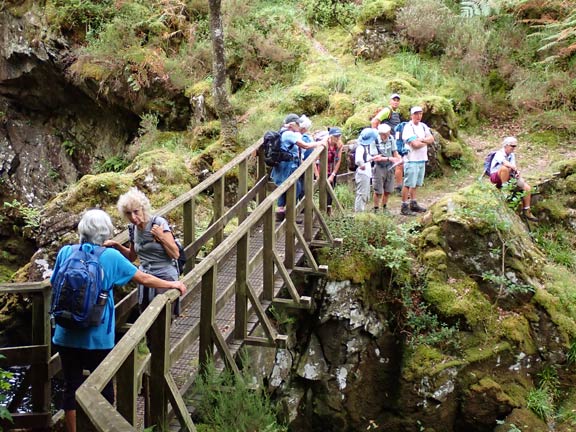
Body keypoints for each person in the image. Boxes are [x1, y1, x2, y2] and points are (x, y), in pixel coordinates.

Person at [51, 209, 186, 432]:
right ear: (105, 233)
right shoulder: (110, 256)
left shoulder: (65, 252)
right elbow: (142, 277)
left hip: (65, 333)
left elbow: (55, 282)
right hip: (97, 337)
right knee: (103, 392)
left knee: (71, 386)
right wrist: (172, 284)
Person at [104, 187, 182, 314]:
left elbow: (175, 254)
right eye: (128, 213)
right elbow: (131, 257)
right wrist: (116, 245)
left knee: (162, 317)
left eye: (136, 211)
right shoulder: (132, 228)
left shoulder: (158, 223)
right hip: (145, 278)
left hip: (164, 276)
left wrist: (161, 236)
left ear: (143, 209)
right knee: (146, 317)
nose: (133, 217)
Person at [270, 113, 324, 221]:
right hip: (289, 167)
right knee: (296, 189)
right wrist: (320, 143)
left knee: (286, 189)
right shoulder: (289, 134)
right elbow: (305, 145)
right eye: (297, 124)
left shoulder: (281, 132)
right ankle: (289, 217)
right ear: (292, 124)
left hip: (283, 166)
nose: (299, 126)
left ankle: (283, 214)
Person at [489, 136, 538, 221]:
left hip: (509, 177)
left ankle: (527, 210)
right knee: (504, 168)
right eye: (512, 146)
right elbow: (505, 163)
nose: (514, 148)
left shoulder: (512, 155)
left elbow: (513, 167)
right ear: (506, 145)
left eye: (515, 146)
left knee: (527, 188)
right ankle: (505, 189)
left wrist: (517, 172)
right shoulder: (499, 154)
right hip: (497, 177)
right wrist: (513, 168)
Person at [400, 106, 435, 216]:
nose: (418, 116)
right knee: (408, 183)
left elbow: (432, 139)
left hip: (421, 158)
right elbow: (414, 145)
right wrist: (425, 142)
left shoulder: (423, 126)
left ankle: (413, 203)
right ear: (411, 115)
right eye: (416, 114)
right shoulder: (408, 127)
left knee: (416, 183)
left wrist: (421, 140)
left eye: (420, 114)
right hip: (411, 159)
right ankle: (404, 205)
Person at [371, 93, 404, 193]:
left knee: (396, 163)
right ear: (390, 101)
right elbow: (374, 122)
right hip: (386, 142)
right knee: (398, 162)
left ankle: (393, 186)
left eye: (397, 100)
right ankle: (398, 187)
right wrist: (377, 135)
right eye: (394, 100)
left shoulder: (395, 112)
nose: (396, 102)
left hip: (393, 141)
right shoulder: (387, 111)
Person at [354, 127, 387, 212]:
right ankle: (359, 212)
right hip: (362, 173)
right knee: (362, 193)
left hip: (366, 173)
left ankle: (362, 210)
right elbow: (358, 159)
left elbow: (366, 157)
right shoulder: (360, 147)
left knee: (365, 193)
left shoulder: (365, 147)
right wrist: (362, 165)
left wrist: (373, 158)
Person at [373, 124, 401, 213]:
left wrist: (398, 159)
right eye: (386, 133)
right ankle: (376, 209)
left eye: (388, 133)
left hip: (390, 166)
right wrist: (389, 158)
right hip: (379, 167)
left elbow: (394, 152)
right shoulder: (375, 140)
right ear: (381, 134)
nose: (387, 135)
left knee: (388, 189)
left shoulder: (391, 138)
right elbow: (375, 157)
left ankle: (384, 207)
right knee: (378, 190)